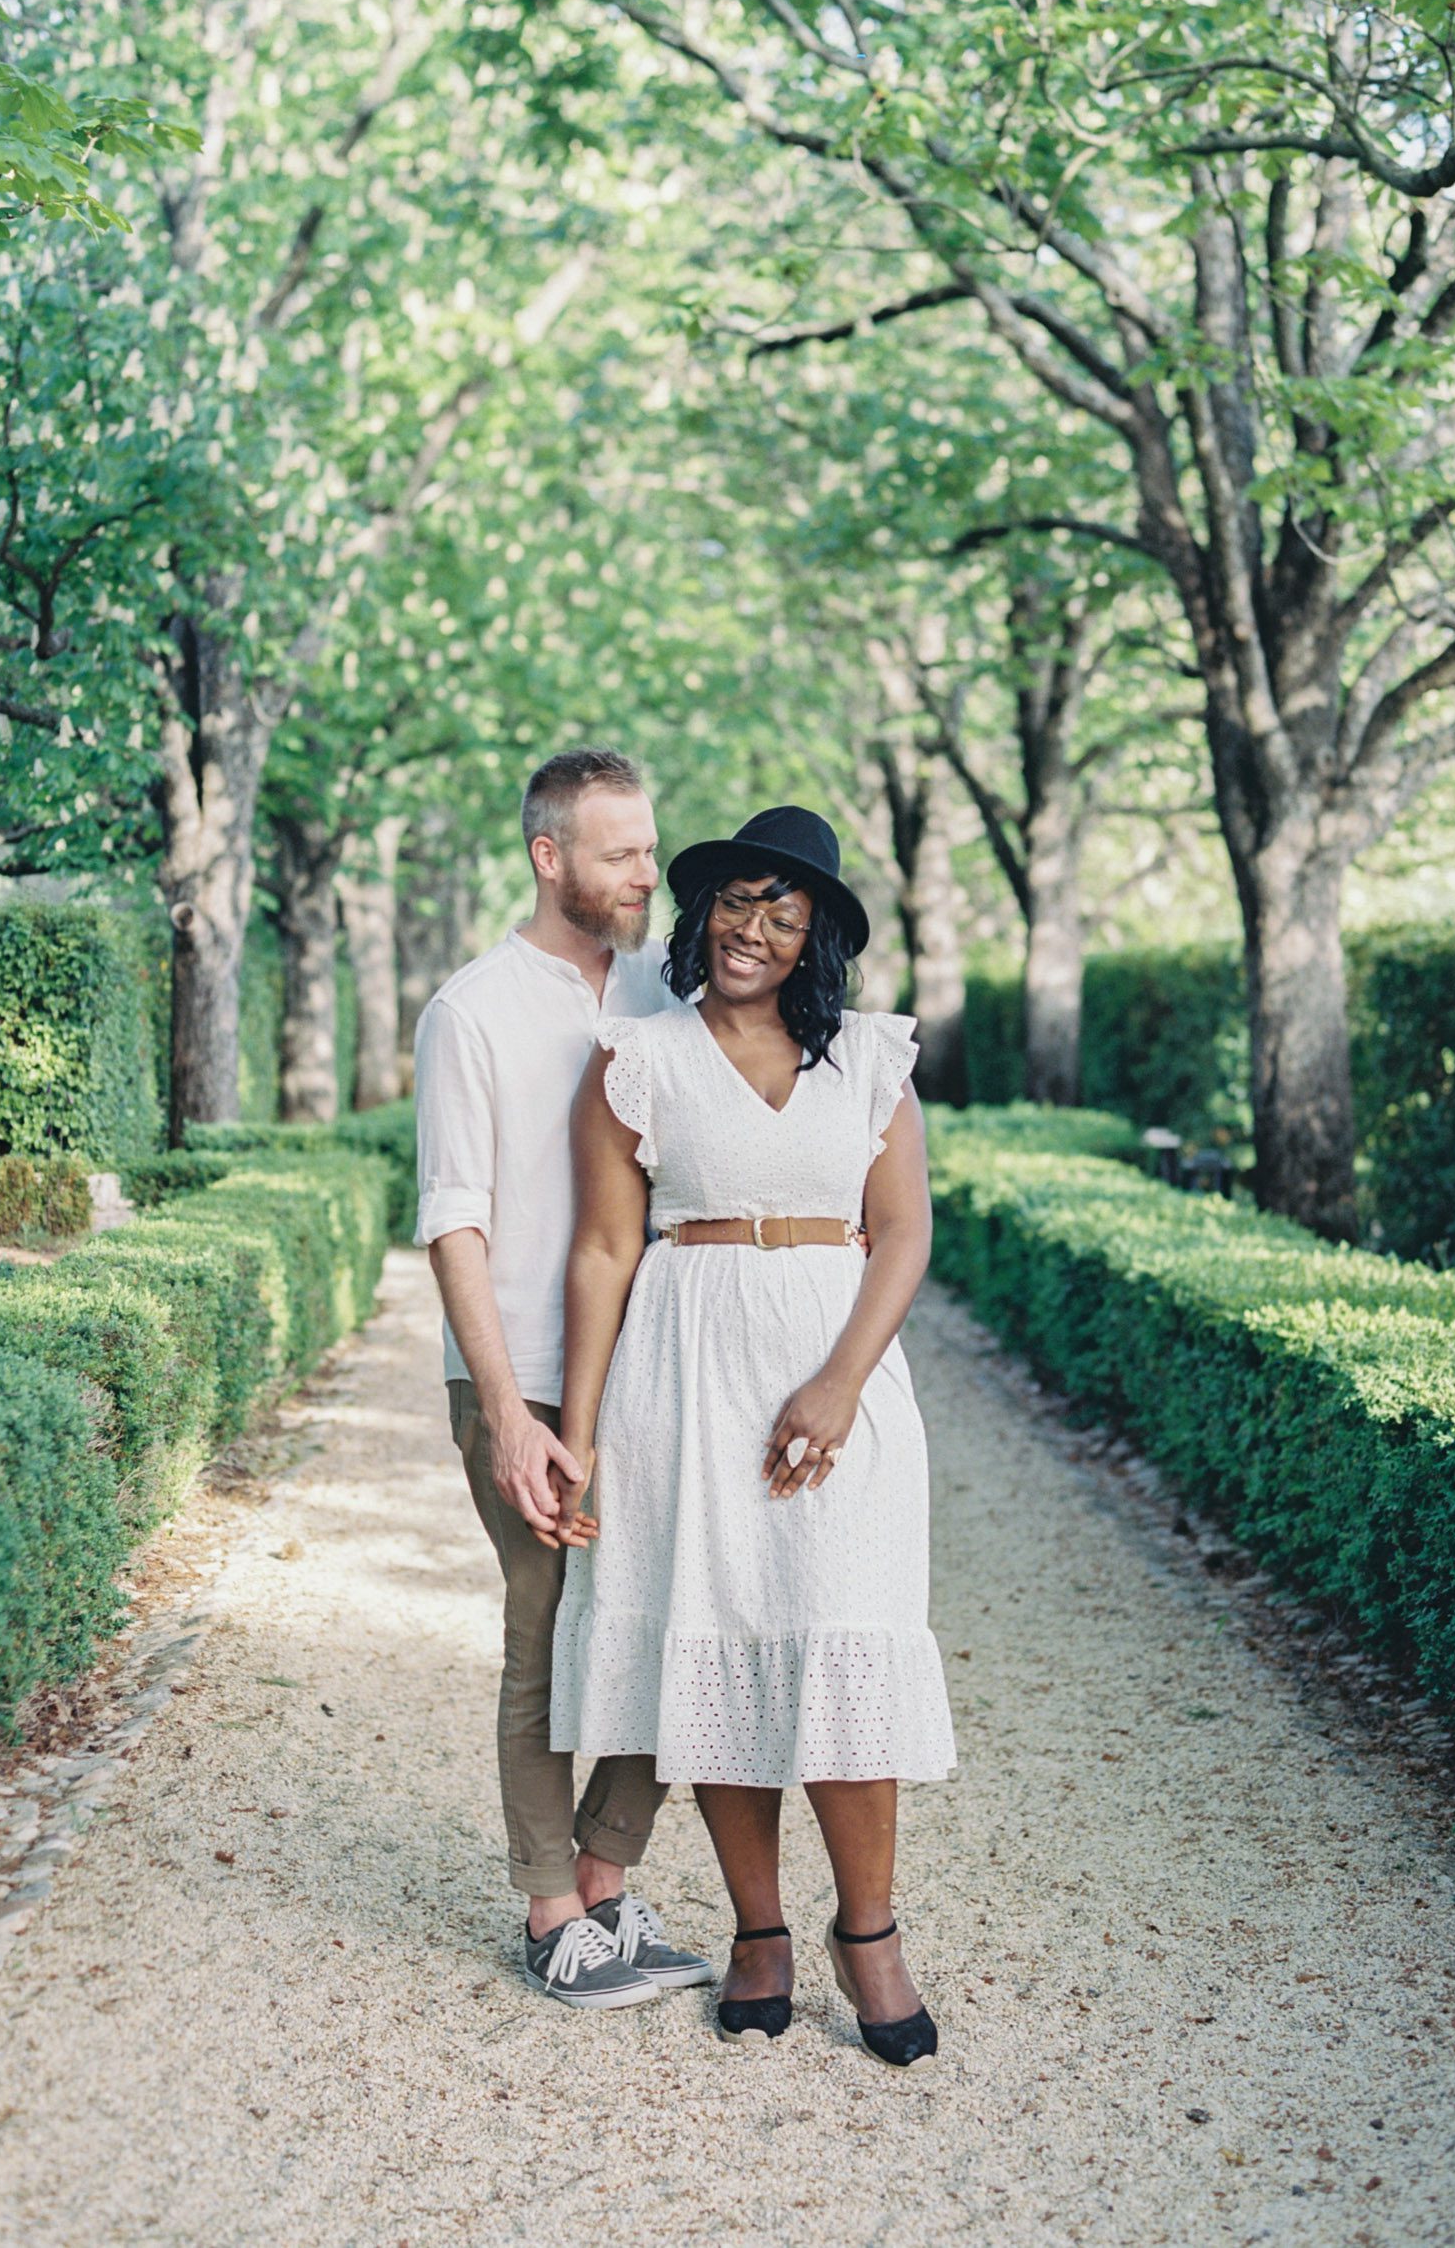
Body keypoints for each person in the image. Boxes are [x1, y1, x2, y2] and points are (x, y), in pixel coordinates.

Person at [551, 805, 956, 2066]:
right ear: (704, 908)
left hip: (837, 1371)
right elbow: (607, 1248)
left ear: (816, 938)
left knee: (844, 1646)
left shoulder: (870, 1062)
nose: (755, 929)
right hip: (683, 1371)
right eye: (738, 900)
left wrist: (841, 1380)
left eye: (785, 913)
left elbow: (906, 1234)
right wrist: (579, 1436)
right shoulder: (639, 1057)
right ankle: (760, 1930)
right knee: (718, 1645)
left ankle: (871, 1931)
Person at [413, 748, 712, 2009]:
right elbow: (454, 1222)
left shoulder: (672, 990)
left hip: (660, 1367)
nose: (649, 871)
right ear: (551, 857)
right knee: (542, 1633)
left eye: (649, 847)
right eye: (622, 852)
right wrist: (503, 1415)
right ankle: (548, 1911)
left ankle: (605, 1876)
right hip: (524, 1374)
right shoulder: (471, 1011)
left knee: (665, 1623)